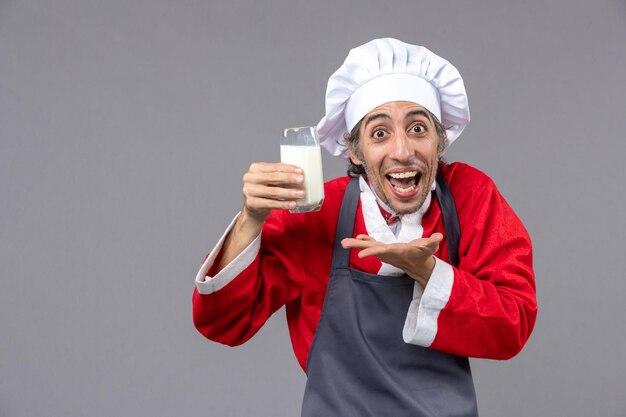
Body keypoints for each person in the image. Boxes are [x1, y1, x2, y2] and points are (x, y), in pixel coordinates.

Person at [192, 38, 537, 417]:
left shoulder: (471, 196)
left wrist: (429, 272)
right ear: (354, 151)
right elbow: (223, 323)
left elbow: (513, 324)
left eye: (419, 128)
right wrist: (250, 218)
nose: (403, 151)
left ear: (440, 142)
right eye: (379, 133)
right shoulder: (319, 211)